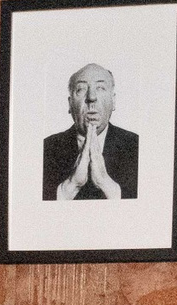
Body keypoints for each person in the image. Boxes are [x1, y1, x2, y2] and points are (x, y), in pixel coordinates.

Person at [40, 62, 138, 201]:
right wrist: (71, 185)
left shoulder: (136, 146)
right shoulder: (46, 149)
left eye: (100, 88)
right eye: (81, 89)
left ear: (113, 101)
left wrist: (105, 183)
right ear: (70, 104)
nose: (91, 97)